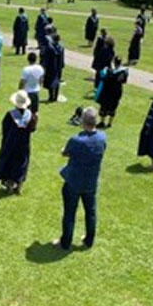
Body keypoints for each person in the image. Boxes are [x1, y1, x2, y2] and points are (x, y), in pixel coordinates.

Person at [56, 107, 107, 250]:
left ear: (83, 121)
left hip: (74, 181)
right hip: (91, 181)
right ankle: (89, 240)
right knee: (90, 212)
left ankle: (65, 242)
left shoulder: (76, 140)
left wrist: (64, 151)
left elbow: (65, 153)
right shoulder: (102, 137)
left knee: (69, 213)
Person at [0, 91, 37, 194]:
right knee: (22, 163)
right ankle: (19, 185)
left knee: (9, 162)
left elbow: (5, 128)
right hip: (24, 144)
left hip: (10, 143)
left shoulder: (10, 115)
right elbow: (32, 129)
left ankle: (9, 185)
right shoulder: (30, 115)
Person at [95, 56, 128, 128]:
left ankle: (102, 122)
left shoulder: (109, 71)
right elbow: (124, 81)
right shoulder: (124, 72)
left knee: (104, 106)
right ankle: (109, 123)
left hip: (108, 91)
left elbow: (104, 78)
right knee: (113, 107)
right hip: (117, 91)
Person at [43, 33, 65, 102]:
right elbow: (62, 57)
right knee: (57, 81)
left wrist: (44, 65)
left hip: (51, 67)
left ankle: (51, 96)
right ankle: (55, 96)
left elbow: (46, 58)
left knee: (50, 81)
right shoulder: (61, 47)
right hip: (58, 67)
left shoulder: (49, 48)